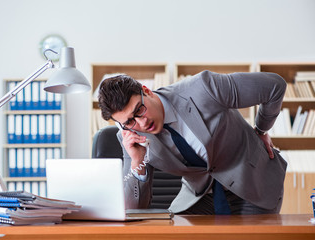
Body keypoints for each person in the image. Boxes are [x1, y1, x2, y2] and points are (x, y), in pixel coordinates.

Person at [97, 70, 287, 215]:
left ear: (146, 91)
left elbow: (274, 87)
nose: (141, 123)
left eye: (139, 110)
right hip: (200, 196)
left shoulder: (203, 88)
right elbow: (132, 210)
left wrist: (261, 129)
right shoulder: (130, 138)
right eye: (129, 121)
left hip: (252, 183)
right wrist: (138, 162)